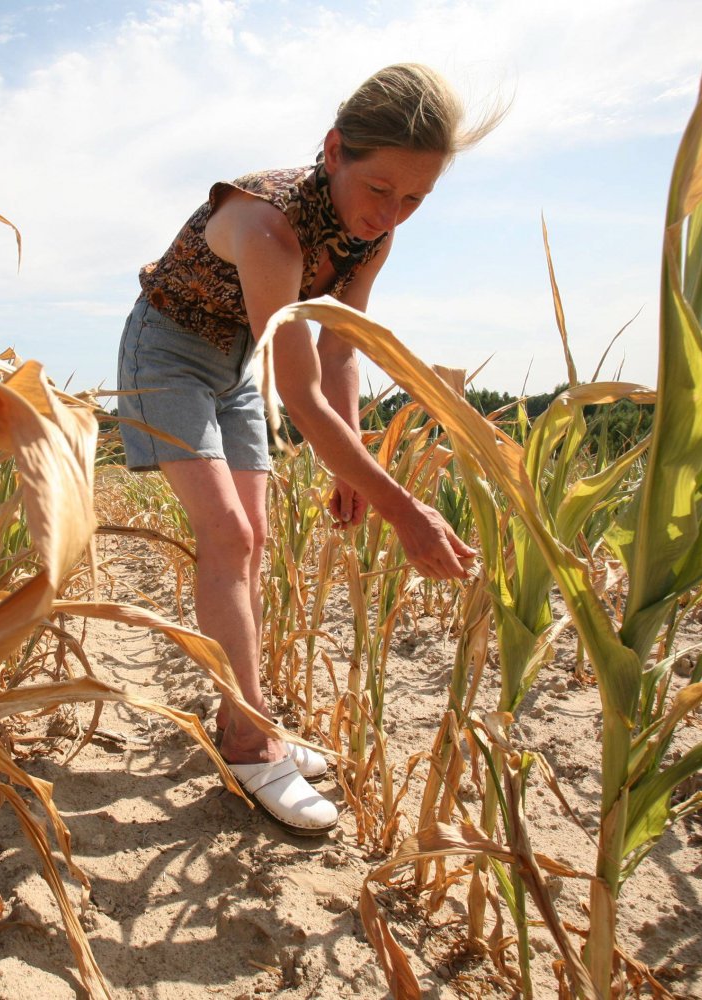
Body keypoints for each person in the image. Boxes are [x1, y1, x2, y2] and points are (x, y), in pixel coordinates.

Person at [116, 64, 492, 836]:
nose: (391, 214)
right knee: (230, 535)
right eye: (380, 188)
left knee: (252, 550)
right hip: (168, 352)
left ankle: (247, 718)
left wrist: (346, 453)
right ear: (333, 151)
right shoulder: (270, 225)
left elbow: (341, 352)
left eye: (416, 199)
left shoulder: (369, 238)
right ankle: (249, 743)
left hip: (235, 362)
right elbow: (300, 392)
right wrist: (402, 507)